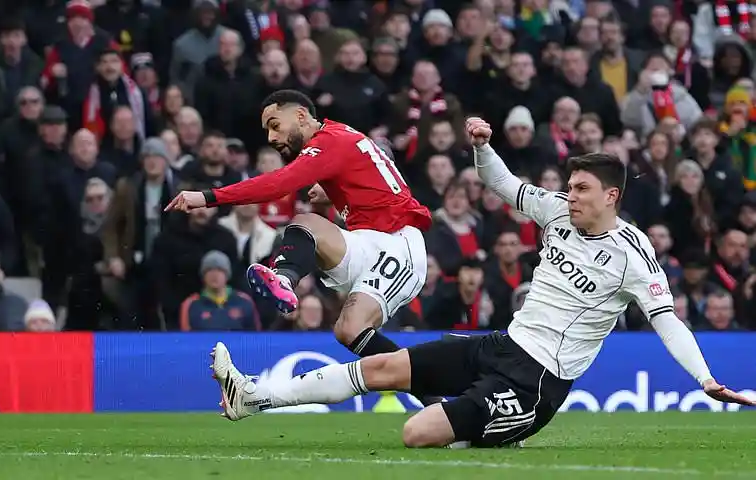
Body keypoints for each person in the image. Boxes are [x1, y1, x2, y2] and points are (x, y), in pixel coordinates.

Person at [208, 117, 755, 449]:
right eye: (570, 185)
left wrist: (705, 379)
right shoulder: (557, 212)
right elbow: (501, 183)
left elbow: (668, 322)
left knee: (414, 433)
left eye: (583, 188)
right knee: (379, 368)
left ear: (611, 195)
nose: (572, 195)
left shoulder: (633, 253)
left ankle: (489, 427)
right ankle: (254, 396)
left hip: (536, 384)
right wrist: (481, 145)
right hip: (502, 346)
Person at [166, 89, 432, 375]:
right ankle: (434, 391)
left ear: (301, 116)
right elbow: (375, 176)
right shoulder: (340, 137)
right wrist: (333, 189)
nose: (271, 138)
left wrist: (208, 197)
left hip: (398, 245)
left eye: (275, 125)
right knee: (348, 331)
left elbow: (279, 184)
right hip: (371, 243)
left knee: (306, 223)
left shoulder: (329, 141)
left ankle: (284, 279)